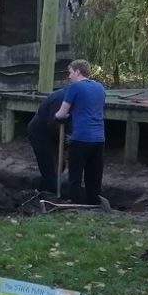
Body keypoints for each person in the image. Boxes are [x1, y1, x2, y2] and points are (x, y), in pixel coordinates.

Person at [55, 60, 108, 206]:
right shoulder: (100, 87)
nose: (69, 76)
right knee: (94, 175)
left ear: (78, 71)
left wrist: (58, 117)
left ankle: (76, 204)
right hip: (99, 139)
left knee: (75, 175)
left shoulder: (74, 87)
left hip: (81, 139)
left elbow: (61, 113)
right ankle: (93, 203)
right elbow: (90, 109)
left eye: (70, 72)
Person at [26, 84, 69, 196]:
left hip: (52, 132)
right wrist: (64, 142)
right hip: (40, 133)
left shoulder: (69, 95)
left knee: (59, 165)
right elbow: (53, 124)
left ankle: (44, 189)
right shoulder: (60, 99)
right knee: (48, 165)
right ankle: (50, 193)